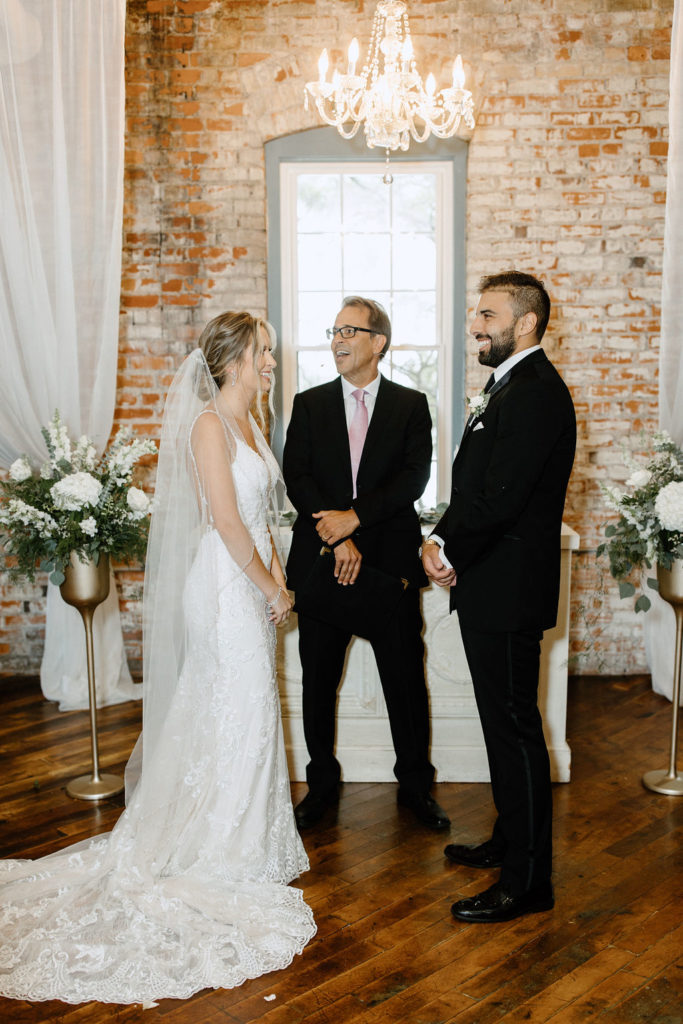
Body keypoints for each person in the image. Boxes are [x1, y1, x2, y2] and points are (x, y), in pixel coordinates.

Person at [0, 312, 316, 1004]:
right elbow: (226, 522)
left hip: (253, 584)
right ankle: (218, 851)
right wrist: (269, 587)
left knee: (251, 710)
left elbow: (261, 519)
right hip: (222, 587)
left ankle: (246, 841)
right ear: (233, 359)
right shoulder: (209, 425)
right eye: (263, 353)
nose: (271, 362)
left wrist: (278, 582)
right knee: (236, 704)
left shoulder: (253, 424)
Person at [422, 272, 576, 924]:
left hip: (507, 590)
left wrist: (440, 543)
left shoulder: (534, 393)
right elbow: (483, 484)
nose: (475, 324)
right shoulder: (508, 385)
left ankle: (528, 882)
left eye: (487, 313)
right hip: (493, 585)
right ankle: (510, 842)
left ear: (527, 322)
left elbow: (501, 498)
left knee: (514, 733)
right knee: (502, 727)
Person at [283, 296, 450, 832]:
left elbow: (412, 481)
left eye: (349, 331)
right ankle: (321, 785)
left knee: (404, 680)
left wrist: (353, 520)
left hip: (389, 570)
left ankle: (417, 788)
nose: (337, 339)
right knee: (317, 681)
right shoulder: (308, 404)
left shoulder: (411, 404)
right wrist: (335, 537)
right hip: (323, 564)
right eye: (333, 330)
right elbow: (297, 477)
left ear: (378, 342)